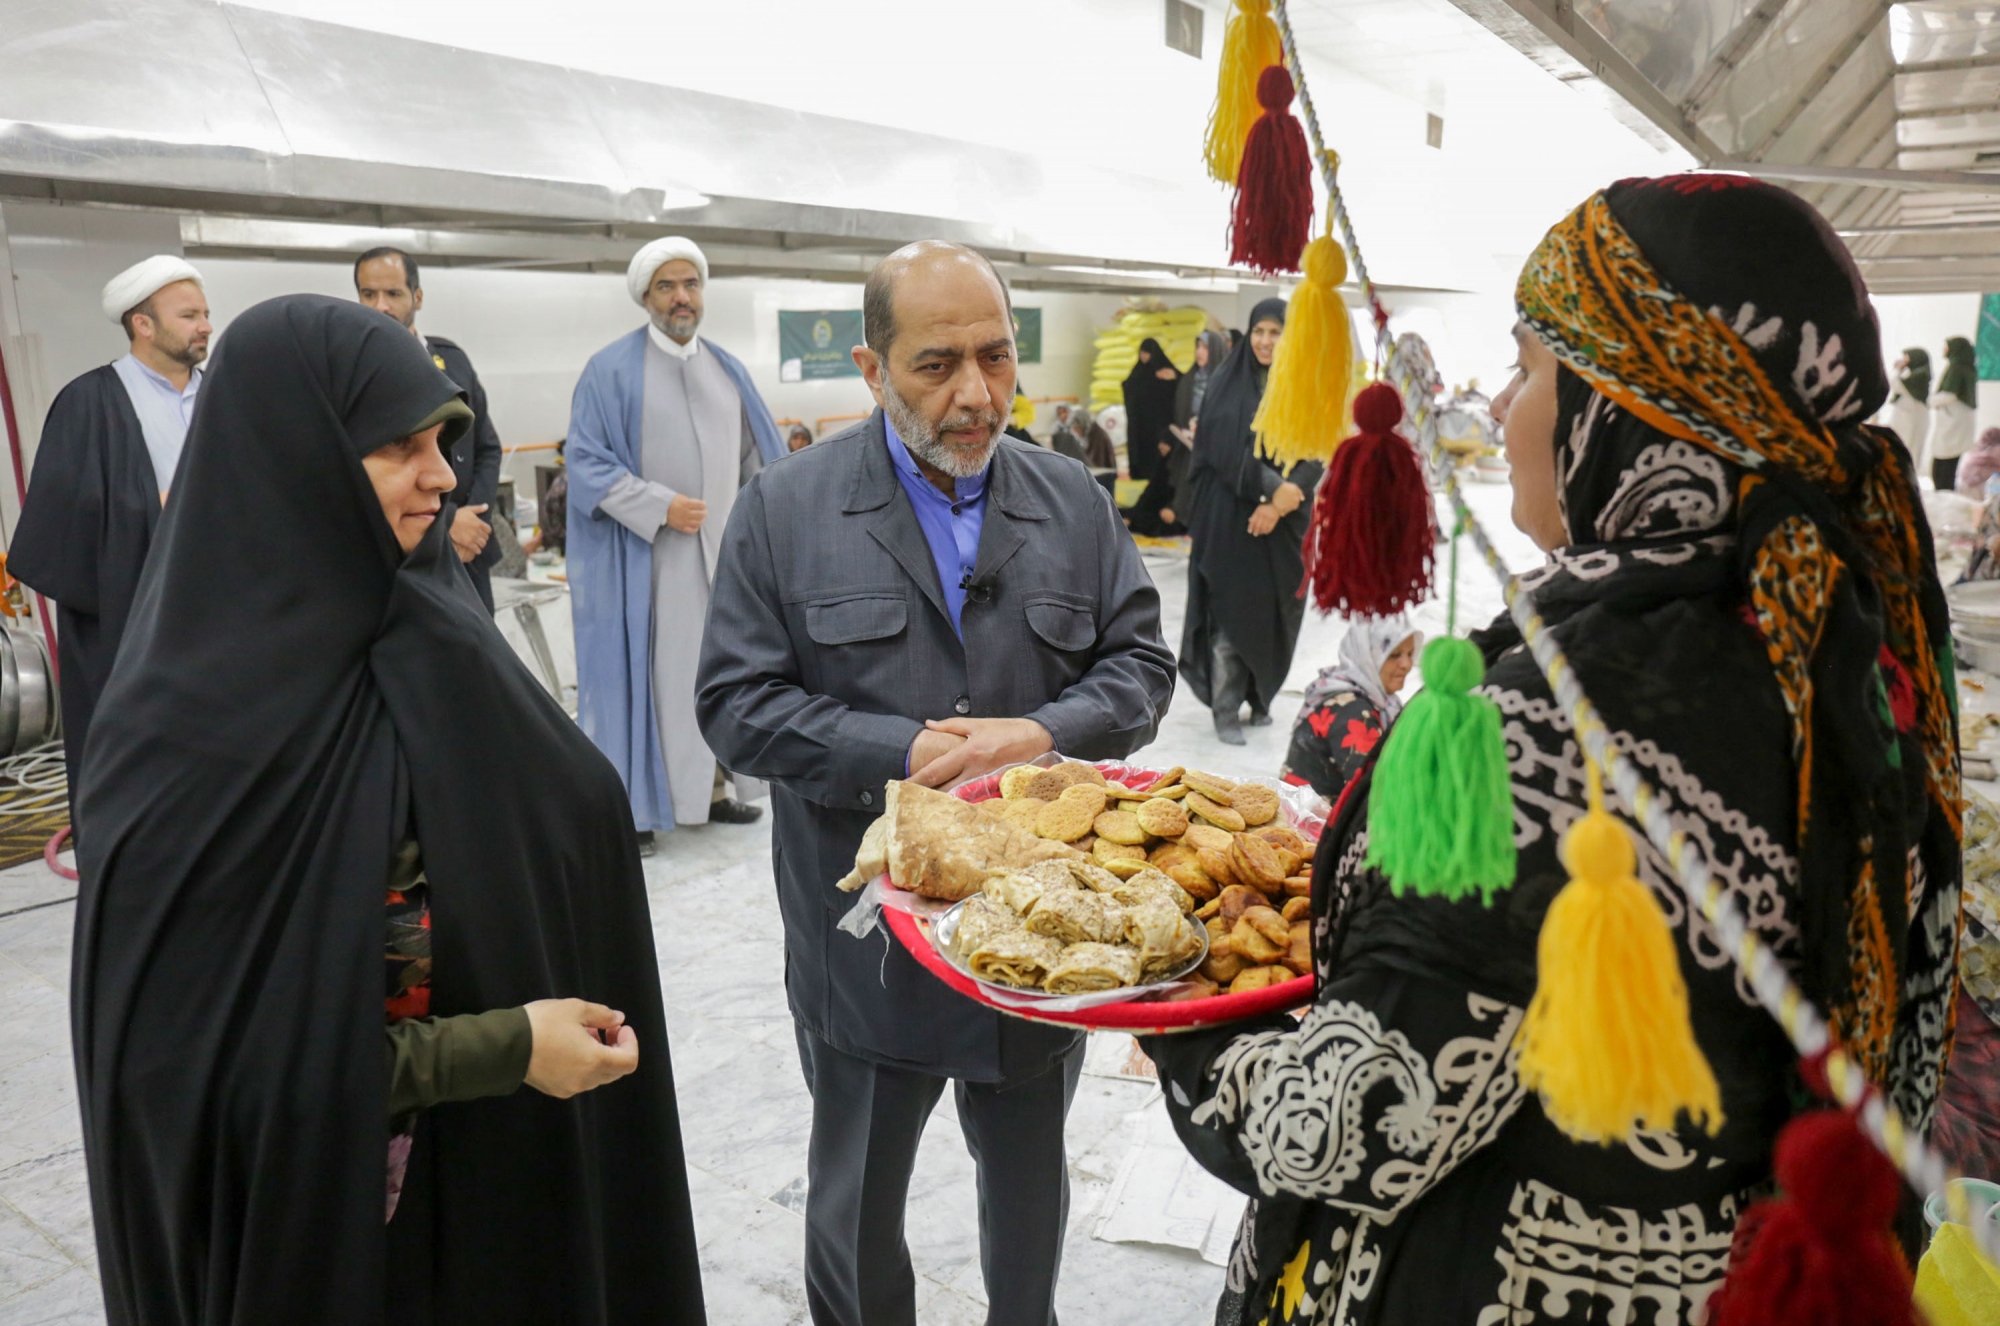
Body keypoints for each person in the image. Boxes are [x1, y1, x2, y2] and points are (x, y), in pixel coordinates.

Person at [1148, 175, 1960, 1324]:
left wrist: (1174, 1023)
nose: (1506, 413)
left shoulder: (1556, 717)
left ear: (1628, 408)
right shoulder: (1842, 643)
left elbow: (1359, 1120)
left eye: (1529, 369)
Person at [72, 295, 703, 1322]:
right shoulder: (183, 729)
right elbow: (200, 1070)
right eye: (397, 446)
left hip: (502, 1181)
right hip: (326, 1234)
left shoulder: (428, 625)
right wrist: (504, 1046)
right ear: (296, 460)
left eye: (443, 439)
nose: (445, 473)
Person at [696, 239, 1176, 1326]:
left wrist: (1038, 733)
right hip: (863, 936)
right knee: (858, 1201)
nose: (975, 393)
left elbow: (1140, 667)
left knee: (1025, 1184)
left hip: (1038, 930)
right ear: (870, 370)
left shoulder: (1068, 500)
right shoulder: (786, 511)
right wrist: (898, 753)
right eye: (935, 364)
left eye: (996, 357)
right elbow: (734, 706)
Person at [566, 236, 785, 837]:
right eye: (666, 286)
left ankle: (712, 792)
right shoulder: (609, 370)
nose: (681, 297)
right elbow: (585, 464)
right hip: (646, 562)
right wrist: (660, 506)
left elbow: (756, 462)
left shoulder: (725, 368)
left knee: (716, 676)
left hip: (721, 562)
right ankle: (634, 809)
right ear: (646, 296)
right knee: (649, 682)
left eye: (690, 284)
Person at [9, 255, 209, 795]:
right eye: (189, 315)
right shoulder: (87, 405)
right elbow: (54, 535)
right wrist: (162, 506)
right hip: (134, 632)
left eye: (205, 313)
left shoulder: (226, 398)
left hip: (222, 623)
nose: (206, 326)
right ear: (143, 324)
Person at [1180, 302, 1322, 745]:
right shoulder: (1228, 382)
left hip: (1285, 522)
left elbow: (1316, 447)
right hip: (1232, 518)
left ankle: (1261, 698)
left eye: (1275, 332)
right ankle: (1225, 708)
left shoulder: (1305, 386)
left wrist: (1281, 502)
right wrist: (1268, 488)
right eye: (1259, 331)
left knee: (1279, 611)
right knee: (1231, 613)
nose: (1264, 340)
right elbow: (1220, 448)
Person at [353, 245, 506, 610]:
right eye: (368, 294)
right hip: (406, 556)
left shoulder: (451, 361)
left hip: (471, 548)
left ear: (417, 297)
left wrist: (473, 519)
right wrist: (446, 524)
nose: (380, 306)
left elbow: (486, 447)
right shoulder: (353, 374)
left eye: (393, 293)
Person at [1280, 615, 1419, 801]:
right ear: (1367, 655)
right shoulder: (1354, 713)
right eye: (1394, 655)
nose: (1407, 665)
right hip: (1311, 819)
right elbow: (1379, 791)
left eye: (1410, 654)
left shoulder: (1378, 699)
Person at [1120, 336, 1180, 484]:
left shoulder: (1165, 370)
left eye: (1147, 352)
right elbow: (1128, 387)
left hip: (1157, 425)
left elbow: (1180, 388)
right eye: (1142, 352)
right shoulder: (1137, 372)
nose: (1144, 356)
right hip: (1140, 424)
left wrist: (1174, 378)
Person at [1933, 334, 1977, 491]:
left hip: (1953, 424)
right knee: (1944, 466)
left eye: (1947, 346)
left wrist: (1930, 400)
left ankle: (1945, 502)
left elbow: (1950, 394)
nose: (1944, 350)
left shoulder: (1957, 367)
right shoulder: (1965, 367)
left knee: (1944, 469)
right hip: (1955, 423)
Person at [1883, 346, 1930, 461]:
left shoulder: (1920, 374)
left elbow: (1895, 384)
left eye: (1906, 357)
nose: (1903, 360)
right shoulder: (1911, 374)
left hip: (1910, 417)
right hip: (1907, 417)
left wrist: (1897, 369)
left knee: (1907, 451)